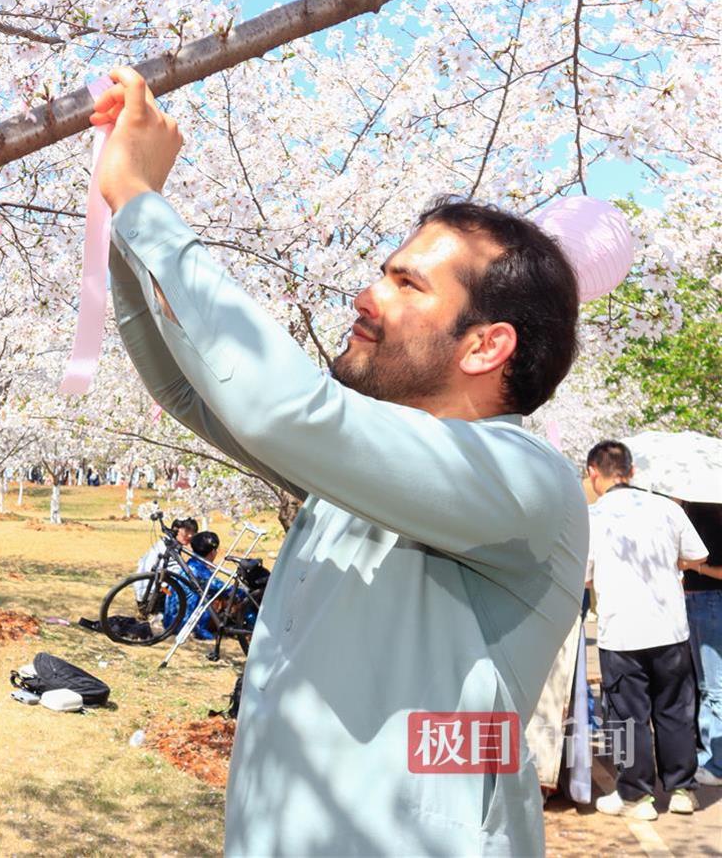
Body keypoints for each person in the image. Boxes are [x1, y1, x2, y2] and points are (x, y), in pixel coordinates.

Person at [93, 67, 587, 855]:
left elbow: (284, 409)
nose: (367, 294)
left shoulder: (528, 484)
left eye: (405, 283)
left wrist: (147, 205)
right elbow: (195, 392)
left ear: (487, 345)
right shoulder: (358, 476)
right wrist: (127, 220)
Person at [583, 440, 708, 819]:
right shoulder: (666, 508)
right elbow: (698, 555)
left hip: (622, 633)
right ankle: (683, 790)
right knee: (675, 710)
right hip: (670, 629)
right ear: (632, 471)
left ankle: (635, 796)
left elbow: (583, 575)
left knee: (626, 715)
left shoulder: (594, 517)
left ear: (593, 474)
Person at [682, 501, 722, 786]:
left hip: (709, 602)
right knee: (705, 684)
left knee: (714, 685)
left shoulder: (705, 516)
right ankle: (710, 755)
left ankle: (717, 763)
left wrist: (695, 566)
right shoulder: (695, 514)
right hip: (699, 601)